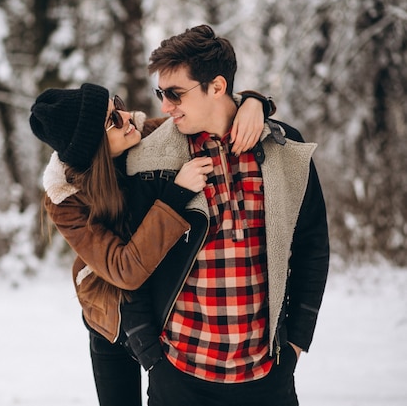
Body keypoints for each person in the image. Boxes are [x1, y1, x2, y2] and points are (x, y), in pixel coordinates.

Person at [121, 24, 330, 406]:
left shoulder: (285, 149)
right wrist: (151, 357)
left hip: (267, 376)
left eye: (175, 94)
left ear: (217, 87)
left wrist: (297, 341)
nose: (165, 106)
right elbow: (133, 261)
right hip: (179, 374)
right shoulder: (150, 161)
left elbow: (312, 245)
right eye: (160, 93)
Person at [29, 83, 275, 406]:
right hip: (111, 316)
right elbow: (124, 268)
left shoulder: (146, 136)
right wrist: (175, 197)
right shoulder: (65, 199)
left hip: (158, 307)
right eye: (112, 121)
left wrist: (254, 102)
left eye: (117, 104)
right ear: (93, 148)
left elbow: (207, 111)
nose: (127, 117)